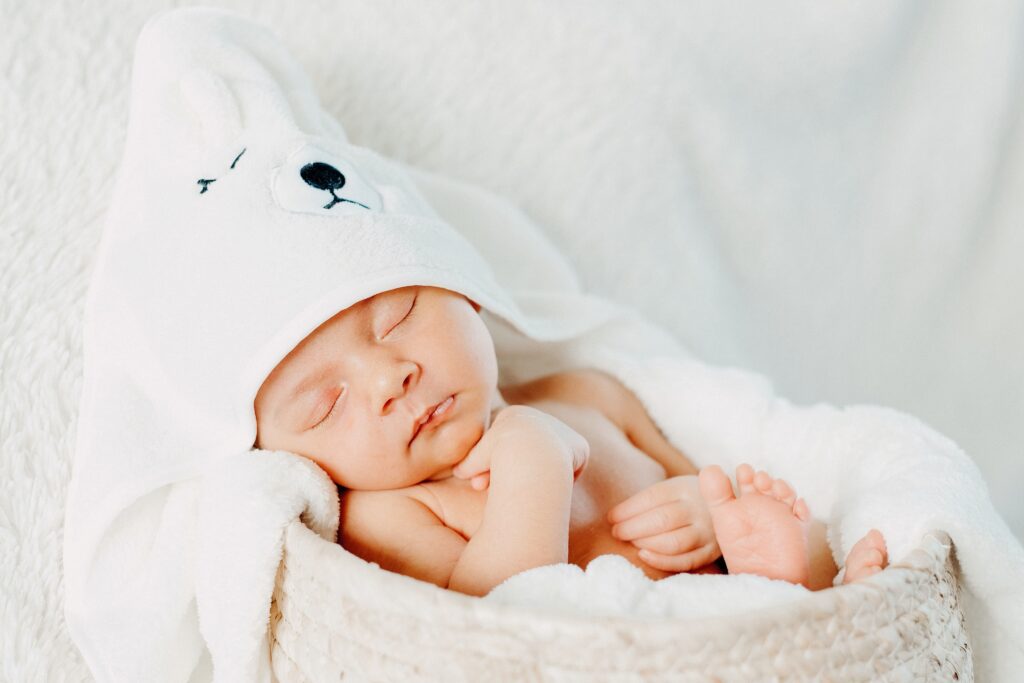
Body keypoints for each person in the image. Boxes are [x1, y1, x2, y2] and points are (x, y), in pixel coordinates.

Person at [253, 285, 889, 597]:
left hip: (717, 598)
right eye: (325, 405)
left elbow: (693, 472)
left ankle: (802, 593)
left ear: (467, 297)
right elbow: (492, 627)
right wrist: (533, 459)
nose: (390, 379)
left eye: (398, 318)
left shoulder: (586, 395)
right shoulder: (389, 512)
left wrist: (706, 510)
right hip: (612, 655)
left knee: (789, 523)